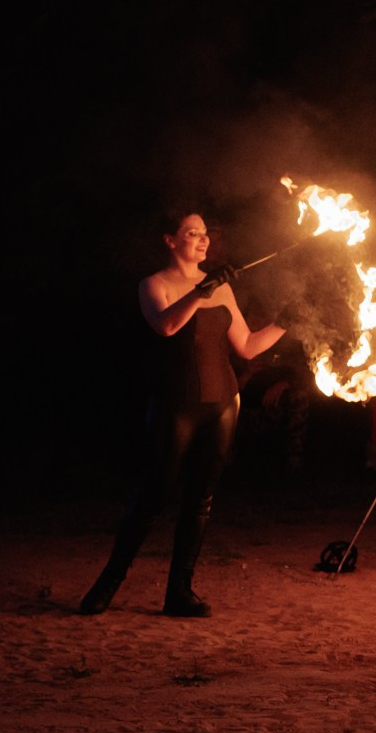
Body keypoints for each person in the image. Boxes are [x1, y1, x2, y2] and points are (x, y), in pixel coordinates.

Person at [81, 210, 286, 618]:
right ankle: (107, 584)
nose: (203, 240)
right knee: (152, 497)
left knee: (201, 501)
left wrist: (287, 323)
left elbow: (246, 346)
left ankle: (180, 592)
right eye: (192, 233)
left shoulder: (221, 288)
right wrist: (201, 291)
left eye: (205, 233)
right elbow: (167, 326)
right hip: (176, 405)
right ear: (170, 240)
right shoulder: (154, 285)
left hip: (224, 403)